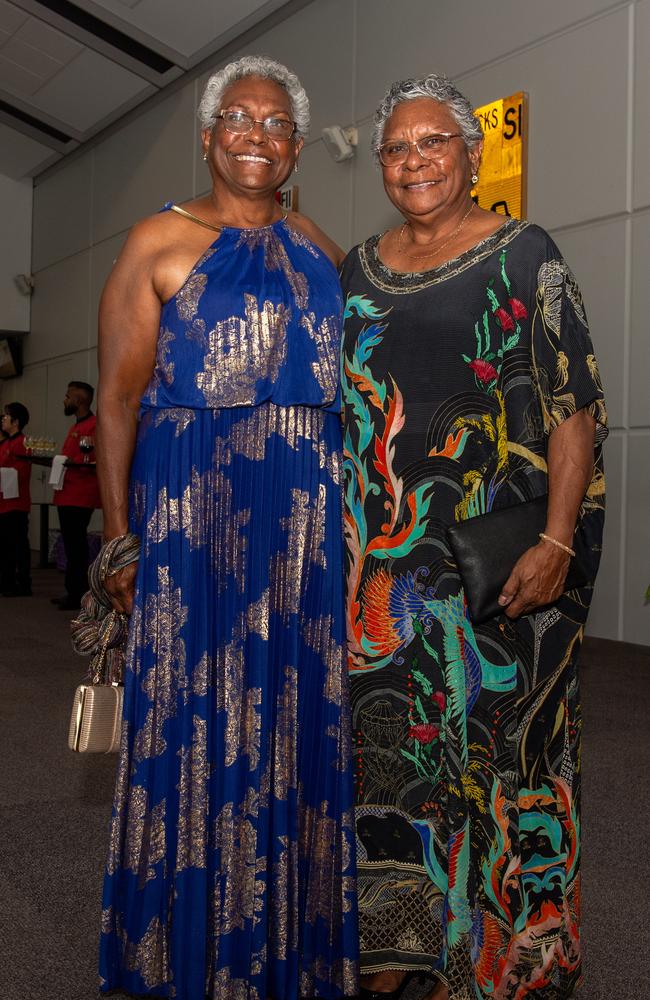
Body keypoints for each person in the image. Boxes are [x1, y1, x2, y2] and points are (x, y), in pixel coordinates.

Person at [96, 55, 358, 1000]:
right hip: (191, 515)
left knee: (292, 722)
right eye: (239, 118)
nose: (258, 134)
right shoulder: (158, 239)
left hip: (299, 523)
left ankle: (286, 952)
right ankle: (183, 954)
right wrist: (120, 541)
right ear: (209, 137)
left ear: (294, 148)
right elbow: (119, 404)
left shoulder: (317, 246)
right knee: (190, 721)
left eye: (277, 122)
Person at [340, 75, 607, 1000]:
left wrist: (560, 541)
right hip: (377, 568)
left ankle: (497, 963)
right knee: (390, 761)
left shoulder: (523, 251)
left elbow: (577, 408)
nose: (414, 160)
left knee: (501, 761)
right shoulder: (354, 269)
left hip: (496, 567)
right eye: (397, 148)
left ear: (473, 154)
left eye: (434, 142)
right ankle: (393, 949)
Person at [52, 381, 101, 610]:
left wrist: (75, 462)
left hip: (80, 495)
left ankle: (78, 594)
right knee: (71, 544)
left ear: (79, 400)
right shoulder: (76, 426)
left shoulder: (93, 425)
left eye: (67, 396)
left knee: (76, 546)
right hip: (67, 492)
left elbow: (95, 459)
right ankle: (72, 590)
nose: (64, 400)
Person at [0, 402, 32, 597]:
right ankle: (7, 581)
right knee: (4, 546)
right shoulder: (4, 443)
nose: (2, 419)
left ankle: (22, 583)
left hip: (16, 503)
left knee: (17, 545)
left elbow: (21, 473)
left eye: (6, 416)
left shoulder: (23, 443)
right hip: (3, 503)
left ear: (16, 421)